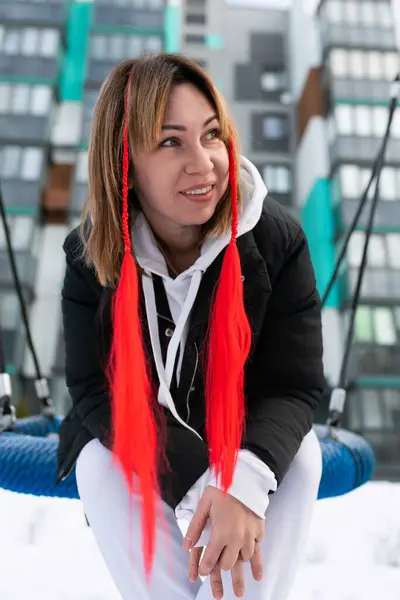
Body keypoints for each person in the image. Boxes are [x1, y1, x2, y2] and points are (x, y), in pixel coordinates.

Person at [56, 53, 324, 600]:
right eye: (171, 141)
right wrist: (198, 477)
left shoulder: (275, 242)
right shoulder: (90, 259)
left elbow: (293, 384)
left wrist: (241, 482)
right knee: (97, 462)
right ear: (124, 162)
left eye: (211, 135)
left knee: (303, 460)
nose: (204, 163)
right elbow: (90, 390)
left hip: (245, 427)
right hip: (137, 430)